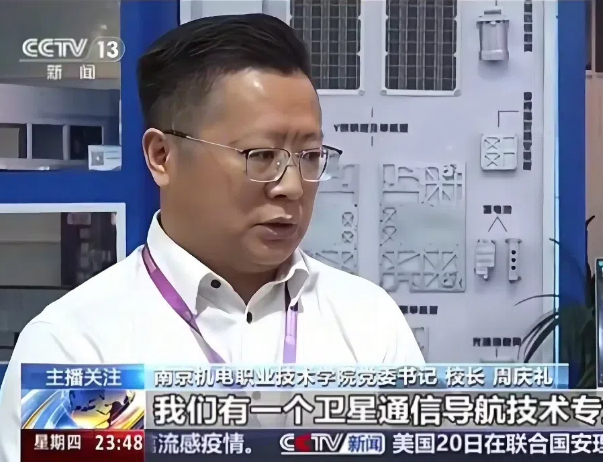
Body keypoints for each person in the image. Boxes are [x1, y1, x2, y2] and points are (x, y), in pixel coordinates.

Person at [0, 14, 423, 460]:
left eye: (310, 155)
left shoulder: (369, 322)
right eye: (261, 155)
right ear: (162, 156)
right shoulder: (76, 346)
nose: (292, 186)